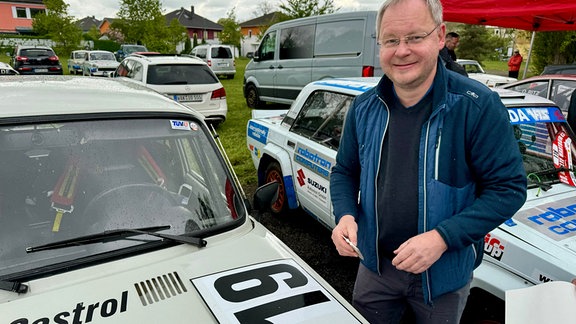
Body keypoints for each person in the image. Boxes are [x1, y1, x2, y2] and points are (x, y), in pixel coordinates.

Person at [329, 0, 527, 323]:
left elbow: (509, 189)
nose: (402, 50)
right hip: (376, 268)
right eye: (391, 40)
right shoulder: (364, 108)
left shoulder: (476, 107)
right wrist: (345, 215)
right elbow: (344, 173)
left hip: (443, 277)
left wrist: (442, 238)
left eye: (415, 37)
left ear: (440, 36)